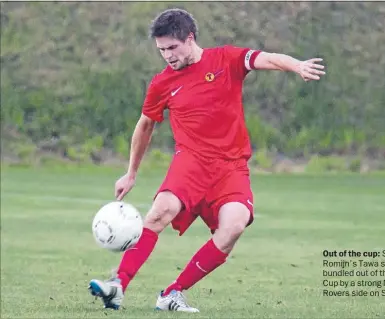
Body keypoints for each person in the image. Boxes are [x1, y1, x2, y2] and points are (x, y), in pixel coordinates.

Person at [88, 8, 325, 313]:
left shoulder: (226, 59)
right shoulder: (162, 83)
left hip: (231, 166)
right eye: (161, 50)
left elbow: (264, 58)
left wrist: (296, 66)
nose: (168, 56)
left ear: (190, 38)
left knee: (234, 226)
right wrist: (130, 173)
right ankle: (117, 285)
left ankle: (173, 292)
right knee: (161, 211)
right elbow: (145, 125)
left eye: (172, 48)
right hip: (191, 161)